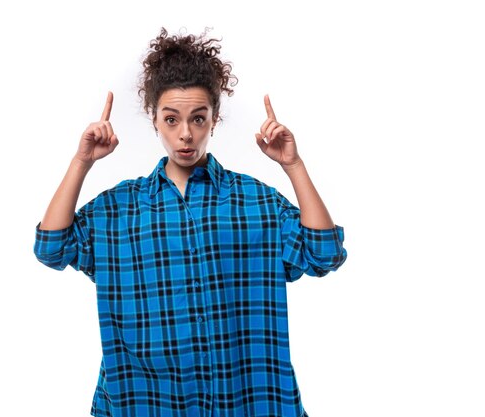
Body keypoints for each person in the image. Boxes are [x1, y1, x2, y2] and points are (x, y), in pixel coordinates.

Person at [34, 27, 347, 417]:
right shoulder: (117, 210)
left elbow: (324, 254)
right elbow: (51, 248)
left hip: (247, 400)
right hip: (146, 401)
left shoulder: (255, 201)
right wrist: (82, 162)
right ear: (154, 120)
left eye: (198, 119)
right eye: (171, 119)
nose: (186, 134)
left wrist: (293, 165)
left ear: (214, 120)